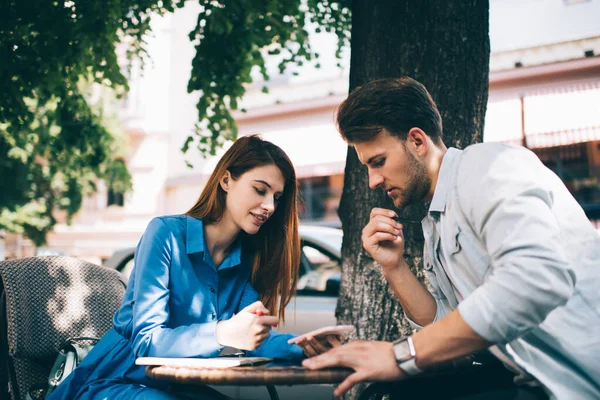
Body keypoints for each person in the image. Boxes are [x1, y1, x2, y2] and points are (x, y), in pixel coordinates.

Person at [303, 77, 600, 399]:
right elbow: (447, 329)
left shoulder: (488, 167)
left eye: (379, 162)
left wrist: (400, 355)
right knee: (386, 394)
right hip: (529, 379)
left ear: (417, 141)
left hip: (578, 379)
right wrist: (393, 267)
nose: (373, 180)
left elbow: (536, 278)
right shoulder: (436, 219)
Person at [48, 135, 336, 400]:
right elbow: (148, 342)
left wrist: (308, 347)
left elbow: (258, 337)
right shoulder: (165, 234)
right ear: (226, 180)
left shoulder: (241, 262)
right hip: (112, 382)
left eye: (276, 197)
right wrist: (222, 332)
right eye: (260, 190)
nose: (269, 206)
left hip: (175, 387)